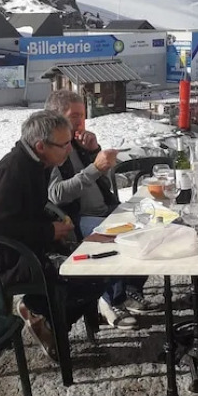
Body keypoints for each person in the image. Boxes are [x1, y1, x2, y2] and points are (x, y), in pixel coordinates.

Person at [0, 110, 102, 357]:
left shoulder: (38, 163)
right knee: (90, 274)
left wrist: (55, 225)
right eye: (64, 144)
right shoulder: (13, 171)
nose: (70, 149)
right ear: (40, 146)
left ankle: (47, 316)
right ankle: (40, 312)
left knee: (99, 261)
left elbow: (28, 210)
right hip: (13, 261)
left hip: (33, 247)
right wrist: (48, 231)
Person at [45, 89, 150, 328]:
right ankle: (110, 301)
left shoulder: (79, 143)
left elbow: (102, 183)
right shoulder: (55, 148)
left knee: (149, 223)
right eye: (74, 116)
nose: (80, 122)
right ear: (56, 118)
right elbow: (57, 194)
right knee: (120, 238)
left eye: (83, 115)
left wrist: (93, 151)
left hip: (104, 209)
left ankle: (131, 288)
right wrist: (95, 167)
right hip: (76, 218)